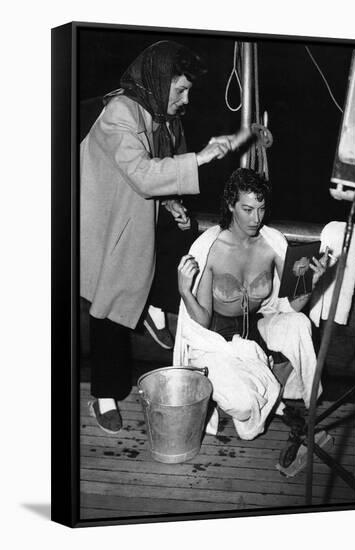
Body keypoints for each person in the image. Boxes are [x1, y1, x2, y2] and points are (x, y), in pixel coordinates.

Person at [80, 40, 232, 433]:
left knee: (185, 241)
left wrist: (171, 204)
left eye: (189, 91)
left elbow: (158, 176)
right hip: (105, 224)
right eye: (180, 89)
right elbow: (142, 173)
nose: (186, 98)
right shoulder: (119, 113)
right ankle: (105, 395)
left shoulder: (164, 116)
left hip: (139, 214)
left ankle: (153, 305)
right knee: (109, 304)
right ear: (159, 80)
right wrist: (200, 158)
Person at [174, 168, 328, 439]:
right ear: (231, 205)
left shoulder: (272, 244)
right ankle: (251, 392)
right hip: (218, 340)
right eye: (247, 209)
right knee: (245, 407)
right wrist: (185, 291)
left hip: (256, 332)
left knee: (299, 324)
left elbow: (292, 307)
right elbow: (201, 321)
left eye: (261, 209)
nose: (256, 218)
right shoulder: (210, 248)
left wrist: (312, 284)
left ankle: (294, 400)